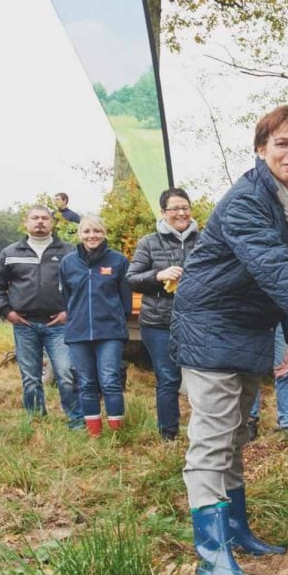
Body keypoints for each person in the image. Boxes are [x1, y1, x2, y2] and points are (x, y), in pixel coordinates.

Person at [171, 105, 288, 575]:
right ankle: (211, 553)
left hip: (246, 327)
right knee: (213, 441)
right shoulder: (246, 201)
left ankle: (236, 530)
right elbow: (271, 268)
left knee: (238, 436)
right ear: (261, 149)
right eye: (282, 143)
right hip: (211, 326)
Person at [0, 205, 80, 428]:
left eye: (45, 218)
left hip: (59, 325)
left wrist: (69, 312)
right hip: (25, 324)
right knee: (30, 378)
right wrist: (7, 312)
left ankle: (76, 420)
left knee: (66, 373)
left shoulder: (68, 252)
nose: (40, 222)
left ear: (52, 223)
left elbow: (80, 286)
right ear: (26, 222)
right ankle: (36, 419)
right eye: (35, 218)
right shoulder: (10, 253)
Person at [127, 188, 200, 441]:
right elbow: (132, 279)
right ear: (163, 213)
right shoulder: (149, 242)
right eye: (174, 209)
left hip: (197, 321)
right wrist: (158, 275)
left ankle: (201, 432)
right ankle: (168, 433)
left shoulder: (204, 240)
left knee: (202, 379)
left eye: (185, 207)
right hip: (158, 322)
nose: (181, 213)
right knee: (168, 378)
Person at [59, 215, 130, 437]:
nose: (92, 236)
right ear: (80, 235)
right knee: (86, 382)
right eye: (87, 232)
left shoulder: (118, 261)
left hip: (110, 332)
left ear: (104, 233)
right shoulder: (68, 263)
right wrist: (75, 318)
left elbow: (125, 301)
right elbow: (66, 298)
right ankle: (94, 434)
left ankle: (116, 433)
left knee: (110, 380)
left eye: (97, 231)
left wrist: (115, 321)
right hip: (78, 333)